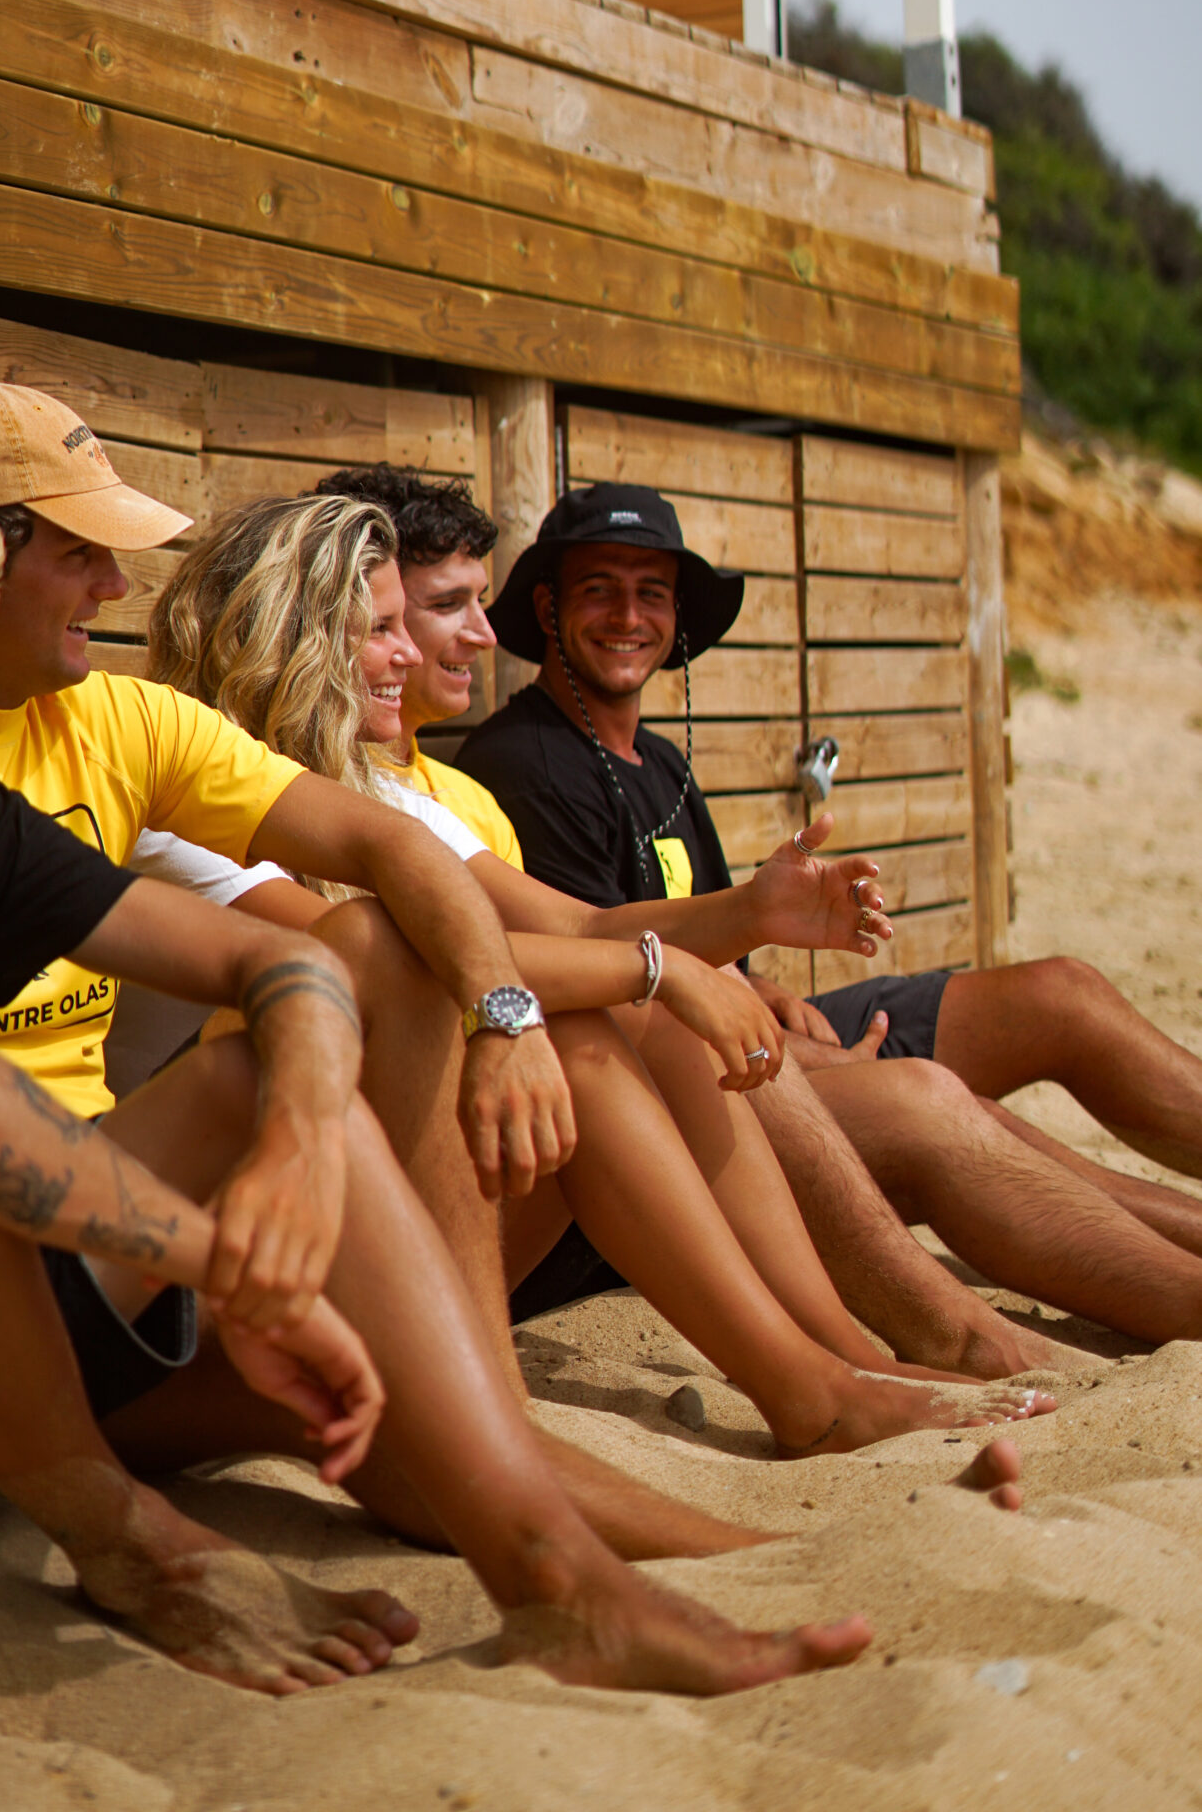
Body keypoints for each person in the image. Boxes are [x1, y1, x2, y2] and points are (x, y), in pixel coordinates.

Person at [0, 425, 887, 1701]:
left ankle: (561, 1591)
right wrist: (229, 1261)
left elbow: (282, 962)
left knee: (277, 1100)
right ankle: (141, 1544)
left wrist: (288, 1142)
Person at [0, 382, 1028, 1542]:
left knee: (611, 1019)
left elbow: (494, 901)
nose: (116, 586)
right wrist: (641, 972)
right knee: (468, 983)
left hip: (291, 1190)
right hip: (151, 1227)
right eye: (84, 553)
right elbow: (349, 951)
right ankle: (724, 1453)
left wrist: (725, 929)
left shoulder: (133, 730)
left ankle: (812, 1376)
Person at [145, 489, 1049, 1456]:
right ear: (294, 637)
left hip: (391, 1189)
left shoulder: (366, 790)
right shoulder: (187, 805)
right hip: (240, 1242)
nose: (412, 655)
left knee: (629, 1017)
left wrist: (749, 915)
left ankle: (832, 1363)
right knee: (600, 1023)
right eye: (382, 630)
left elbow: (576, 924)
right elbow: (377, 956)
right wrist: (656, 971)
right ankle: (812, 1381)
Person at [455, 481, 1202, 1349]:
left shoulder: (656, 758)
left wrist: (766, 983)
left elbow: (701, 935)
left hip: (748, 1030)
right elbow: (616, 990)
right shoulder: (523, 763)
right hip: (675, 1092)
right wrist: (808, 1061)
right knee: (936, 1105)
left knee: (1061, 994)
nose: (628, 615)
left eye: (650, 592)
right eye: (599, 589)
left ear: (677, 615)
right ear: (546, 607)